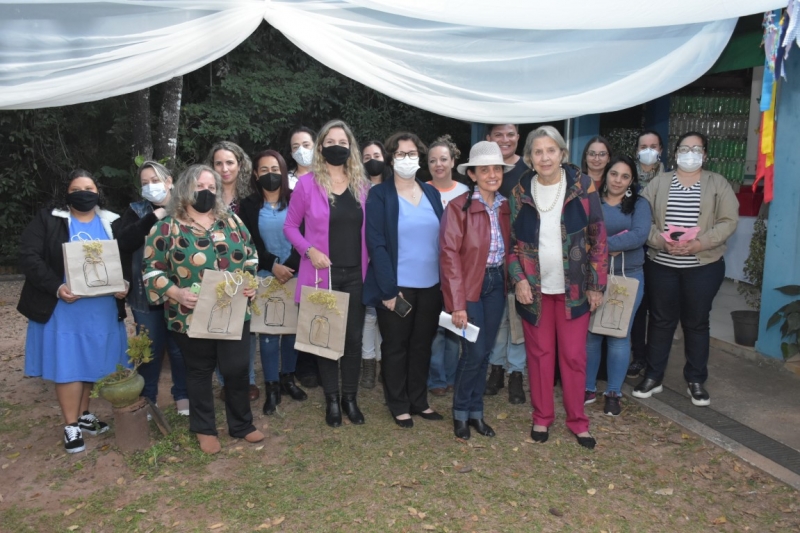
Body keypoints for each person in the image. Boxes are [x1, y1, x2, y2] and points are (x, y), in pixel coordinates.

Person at [143, 164, 263, 454]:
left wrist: (249, 283)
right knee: (198, 371)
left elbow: (250, 256)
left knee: (236, 368)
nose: (206, 192)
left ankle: (242, 425)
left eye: (211, 188)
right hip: (189, 314)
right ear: (185, 189)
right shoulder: (166, 227)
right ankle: (204, 428)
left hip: (232, 310)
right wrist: (176, 293)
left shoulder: (231, 221)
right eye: (200, 187)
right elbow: (150, 271)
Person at [508, 126, 607, 449]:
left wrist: (596, 285)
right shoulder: (521, 191)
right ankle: (542, 417)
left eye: (551, 150)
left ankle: (578, 422)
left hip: (574, 290)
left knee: (574, 356)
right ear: (529, 159)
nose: (545, 157)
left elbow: (598, 239)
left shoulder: (582, 187)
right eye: (538, 152)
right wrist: (519, 278)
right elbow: (511, 245)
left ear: (562, 154)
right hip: (534, 291)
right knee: (539, 355)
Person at [19, 169, 129, 454]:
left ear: (98, 192)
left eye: (89, 187)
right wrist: (56, 287)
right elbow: (29, 257)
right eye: (76, 188)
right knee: (68, 362)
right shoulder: (49, 220)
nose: (84, 192)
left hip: (102, 308)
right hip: (63, 307)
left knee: (91, 360)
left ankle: (83, 415)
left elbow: (125, 257)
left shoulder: (111, 222)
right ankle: (70, 425)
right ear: (66, 193)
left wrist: (124, 283)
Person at [633, 132, 738, 407]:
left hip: (703, 266)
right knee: (660, 320)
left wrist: (700, 243)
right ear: (675, 152)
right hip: (662, 265)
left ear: (705, 154)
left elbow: (728, 221)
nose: (690, 153)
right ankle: (654, 377)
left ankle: (695, 380)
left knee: (696, 322)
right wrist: (661, 242)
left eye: (696, 149)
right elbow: (641, 218)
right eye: (684, 148)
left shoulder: (718, 184)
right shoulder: (659, 182)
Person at [284, 119, 370, 428]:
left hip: (356, 273)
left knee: (353, 340)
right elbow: (290, 226)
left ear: (350, 148)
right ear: (321, 147)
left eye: (343, 142)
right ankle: (332, 400)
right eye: (331, 142)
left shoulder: (362, 184)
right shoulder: (307, 185)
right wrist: (309, 250)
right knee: (324, 338)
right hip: (322, 275)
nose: (338, 147)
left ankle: (350, 397)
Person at [364, 132, 444, 428]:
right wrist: (388, 288)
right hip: (397, 287)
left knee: (422, 345)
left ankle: (418, 400)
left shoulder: (431, 193)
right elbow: (377, 243)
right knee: (396, 346)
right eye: (401, 154)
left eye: (412, 154)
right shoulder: (380, 195)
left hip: (431, 286)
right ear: (391, 158)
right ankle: (398, 403)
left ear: (420, 158)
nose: (407, 159)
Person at [440, 141, 512, 440]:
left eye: (497, 168)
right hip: (470, 286)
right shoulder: (459, 207)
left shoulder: (506, 206)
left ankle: (476, 413)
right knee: (475, 350)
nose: (492, 174)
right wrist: (457, 303)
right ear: (473, 174)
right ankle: (460, 412)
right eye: (485, 169)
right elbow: (449, 255)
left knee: (485, 354)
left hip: (496, 284)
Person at [113, 161, 189, 416]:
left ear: (169, 181)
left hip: (181, 292)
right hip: (145, 295)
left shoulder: (186, 206)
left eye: (154, 180)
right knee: (149, 350)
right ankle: (149, 400)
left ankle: (183, 396)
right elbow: (123, 242)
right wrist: (153, 216)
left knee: (180, 350)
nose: (150, 186)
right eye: (145, 183)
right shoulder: (136, 211)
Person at [238, 150, 307, 416]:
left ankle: (288, 377)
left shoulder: (297, 199)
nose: (270, 175)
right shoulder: (248, 205)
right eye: (264, 170)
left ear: (283, 172)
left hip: (296, 272)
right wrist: (272, 265)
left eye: (275, 169)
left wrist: (289, 266)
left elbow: (305, 233)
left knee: (291, 330)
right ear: (256, 174)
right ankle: (272, 386)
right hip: (265, 275)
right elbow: (249, 243)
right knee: (267, 333)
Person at [584, 155, 651, 416]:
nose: (618, 180)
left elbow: (638, 235)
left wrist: (602, 245)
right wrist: (604, 248)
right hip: (594, 278)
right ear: (606, 175)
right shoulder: (593, 202)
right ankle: (588, 388)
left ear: (631, 181)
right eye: (614, 174)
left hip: (628, 278)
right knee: (592, 335)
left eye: (625, 176)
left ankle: (613, 391)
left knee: (619, 335)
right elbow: (582, 233)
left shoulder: (639, 205)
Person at [205, 141, 259, 401]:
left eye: (229, 162)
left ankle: (247, 381)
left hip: (243, 270)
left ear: (240, 164)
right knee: (217, 324)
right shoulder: (205, 194)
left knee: (245, 326)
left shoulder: (252, 195)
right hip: (212, 272)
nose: (224, 168)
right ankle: (225, 381)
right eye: (218, 163)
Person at [484, 124, 529, 403]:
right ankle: (496, 369)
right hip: (492, 259)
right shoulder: (485, 168)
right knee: (498, 320)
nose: (505, 139)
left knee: (518, 319)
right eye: (498, 134)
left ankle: (516, 374)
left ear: (518, 138)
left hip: (523, 256)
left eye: (510, 134)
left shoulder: (529, 170)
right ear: (489, 138)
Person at [425, 135, 467, 396]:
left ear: (453, 160)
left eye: (443, 159)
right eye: (432, 160)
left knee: (454, 328)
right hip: (428, 270)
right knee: (434, 330)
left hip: (457, 271)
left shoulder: (465, 192)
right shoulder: (420, 190)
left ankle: (452, 376)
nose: (438, 164)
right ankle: (436, 378)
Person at [627, 130, 666, 378]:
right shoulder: (628, 179)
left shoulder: (672, 178)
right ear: (637, 150)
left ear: (661, 150)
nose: (649, 150)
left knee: (660, 310)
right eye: (644, 146)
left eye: (653, 146)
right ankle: (638, 357)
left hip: (661, 253)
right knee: (638, 308)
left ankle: (655, 358)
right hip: (634, 252)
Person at [286, 127, 321, 389]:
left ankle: (324, 364)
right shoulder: (284, 181)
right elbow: (290, 224)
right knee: (298, 316)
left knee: (320, 311)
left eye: (306, 144)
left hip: (316, 258)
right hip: (293, 256)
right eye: (296, 146)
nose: (301, 150)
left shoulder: (327, 178)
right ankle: (303, 366)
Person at [359, 140, 392, 389]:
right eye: (367, 156)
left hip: (387, 259)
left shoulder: (394, 188)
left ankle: (385, 364)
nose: (372, 159)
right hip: (363, 259)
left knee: (388, 314)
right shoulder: (356, 189)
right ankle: (368, 362)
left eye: (377, 155)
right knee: (369, 316)